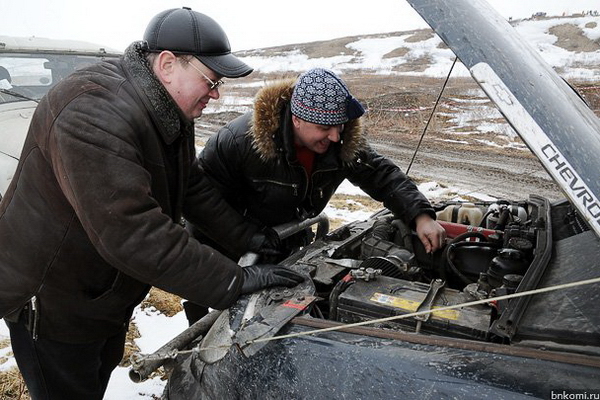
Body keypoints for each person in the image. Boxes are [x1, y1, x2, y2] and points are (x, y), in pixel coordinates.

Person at [0, 8, 303, 400]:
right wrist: (233, 281)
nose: (216, 94)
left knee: (95, 377)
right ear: (167, 64)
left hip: (103, 292)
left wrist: (250, 238)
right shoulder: (90, 110)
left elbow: (190, 186)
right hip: (55, 301)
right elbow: (132, 231)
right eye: (211, 81)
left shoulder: (166, 108)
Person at [194, 67, 446, 260]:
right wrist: (248, 240)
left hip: (283, 244)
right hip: (222, 251)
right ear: (296, 119)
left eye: (340, 126)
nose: (335, 136)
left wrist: (420, 216)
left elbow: (381, 174)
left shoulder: (341, 143)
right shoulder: (238, 141)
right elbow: (201, 203)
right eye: (325, 128)